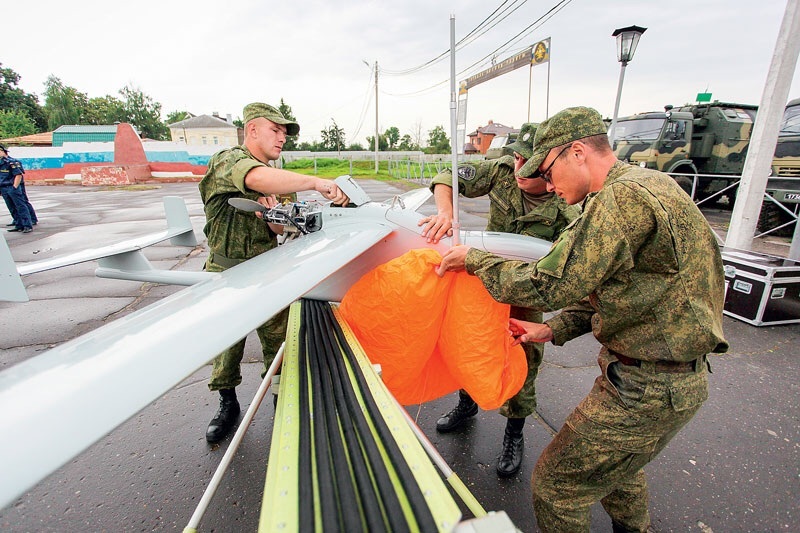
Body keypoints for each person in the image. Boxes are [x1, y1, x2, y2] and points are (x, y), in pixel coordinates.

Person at [436, 106, 728, 532]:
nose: (548, 185)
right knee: (617, 474)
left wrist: (475, 261)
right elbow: (618, 288)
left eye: (549, 172)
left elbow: (551, 285)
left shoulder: (620, 200)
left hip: (646, 388)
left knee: (557, 486)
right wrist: (552, 328)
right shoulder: (651, 184)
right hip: (667, 380)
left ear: (576, 152)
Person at [418, 122, 580, 478]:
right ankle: (467, 405)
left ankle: (514, 434)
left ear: (551, 168)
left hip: (526, 289)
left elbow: (567, 271)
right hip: (483, 280)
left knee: (521, 358)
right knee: (469, 343)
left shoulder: (568, 204)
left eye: (531, 163)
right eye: (519, 156)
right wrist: (446, 211)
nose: (520, 167)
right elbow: (448, 176)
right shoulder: (506, 168)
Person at [199, 102, 349, 444]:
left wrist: (270, 219)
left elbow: (281, 230)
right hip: (226, 273)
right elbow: (254, 178)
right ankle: (228, 404)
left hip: (267, 269)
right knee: (227, 346)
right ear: (252, 129)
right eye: (275, 130)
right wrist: (315, 181)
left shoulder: (281, 181)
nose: (282, 138)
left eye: (285, 133)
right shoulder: (228, 160)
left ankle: (283, 403)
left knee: (280, 345)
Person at [0, 144, 35, 233]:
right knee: (12, 207)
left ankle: (27, 225)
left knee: (20, 206)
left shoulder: (11, 162)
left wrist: (14, 187)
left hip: (12, 187)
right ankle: (18, 224)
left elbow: (18, 175)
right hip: (3, 188)